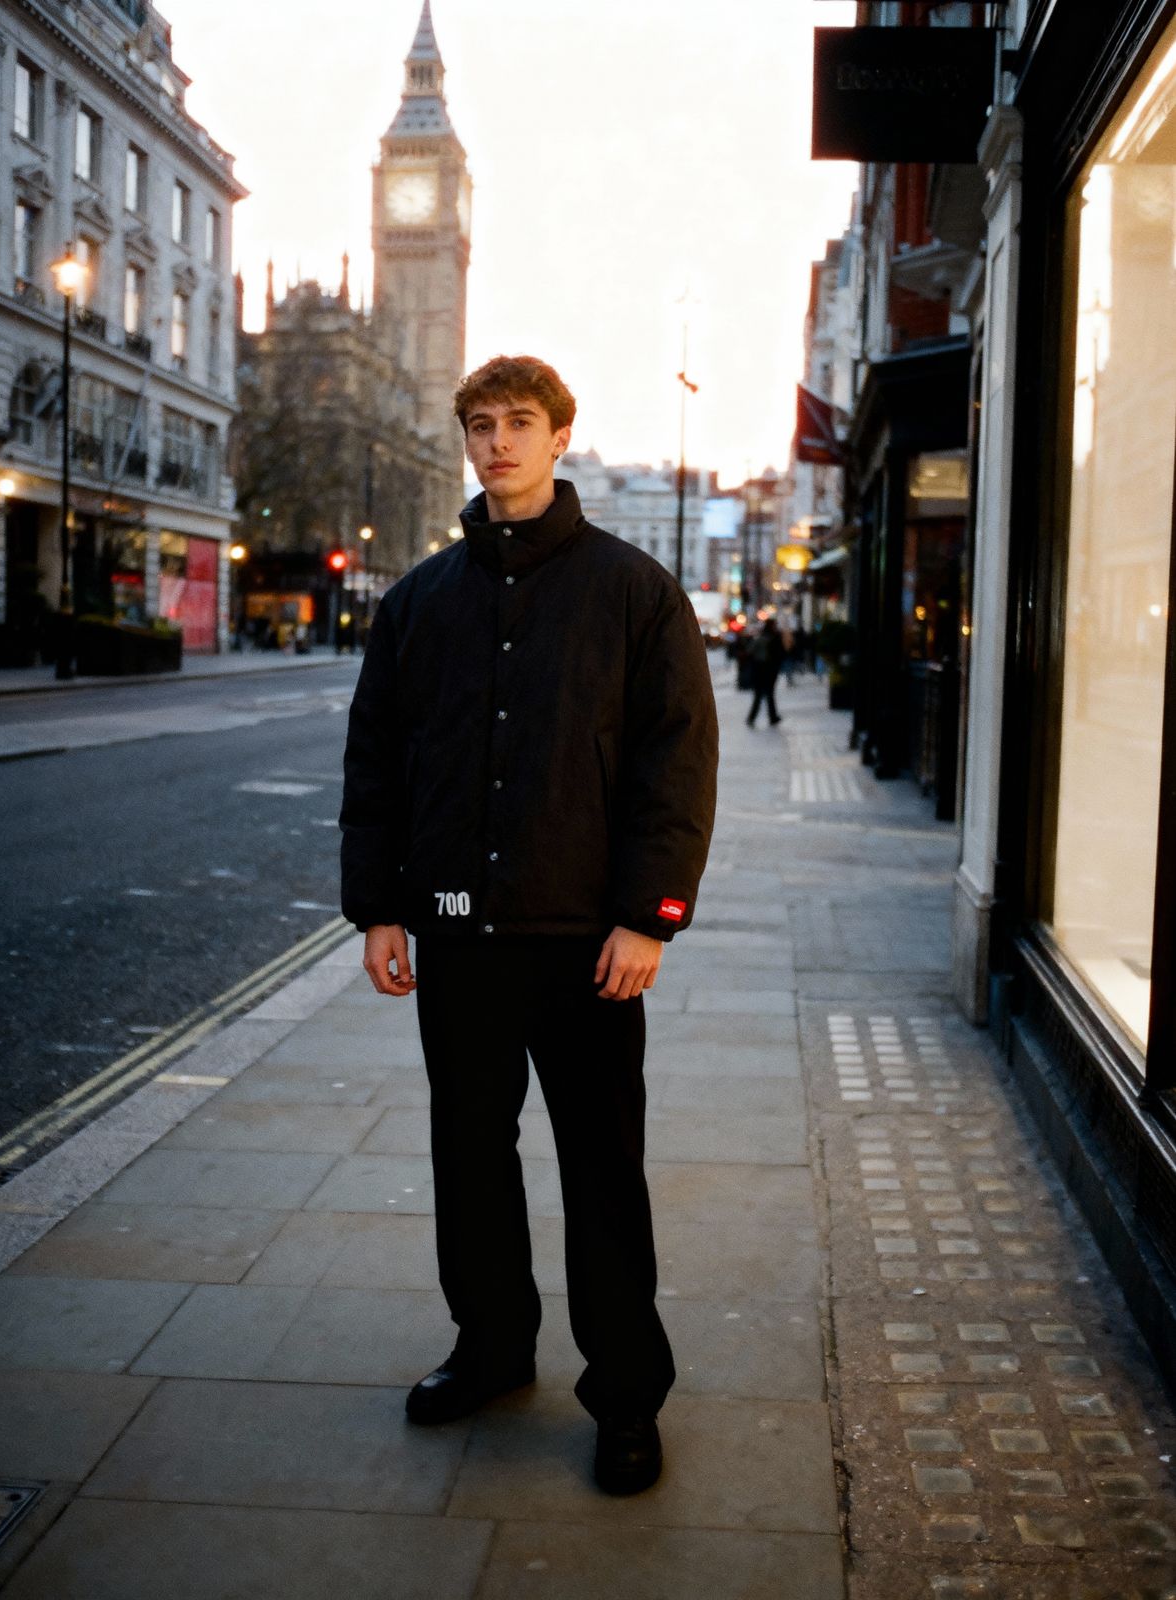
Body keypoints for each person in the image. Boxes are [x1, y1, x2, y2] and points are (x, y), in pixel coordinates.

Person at [340, 354, 718, 1496]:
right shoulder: (418, 602)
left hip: (587, 946)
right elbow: (377, 763)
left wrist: (648, 916)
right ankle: (494, 1347)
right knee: (471, 1155)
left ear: (560, 437)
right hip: (457, 938)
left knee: (603, 1170)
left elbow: (676, 763)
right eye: (478, 424)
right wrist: (380, 909)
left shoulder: (634, 590)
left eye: (517, 423)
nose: (496, 442)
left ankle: (626, 1396)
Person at [745, 615, 786, 728]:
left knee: (762, 695)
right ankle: (766, 717)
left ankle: (760, 717)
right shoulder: (771, 638)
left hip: (762, 669)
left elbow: (749, 651)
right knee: (767, 694)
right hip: (767, 669)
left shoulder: (762, 638)